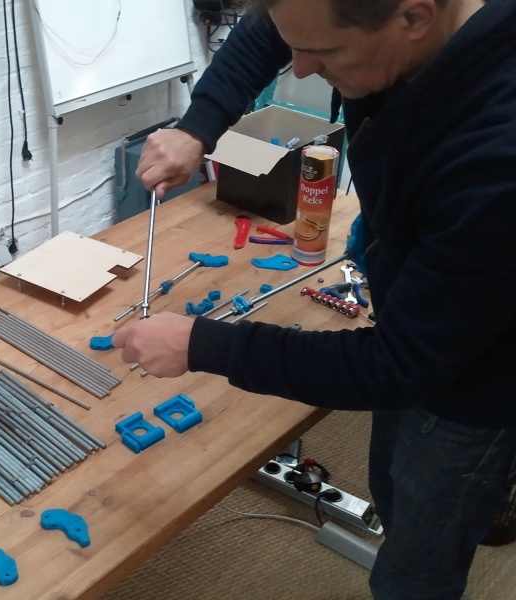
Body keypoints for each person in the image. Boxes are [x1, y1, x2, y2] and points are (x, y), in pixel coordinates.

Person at [112, 1, 516, 598]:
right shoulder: (379, 27)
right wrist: (199, 126)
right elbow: (269, 30)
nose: (299, 69)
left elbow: (399, 366)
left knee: (420, 554)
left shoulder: (497, 156)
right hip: (426, 300)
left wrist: (204, 344)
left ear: (414, 17)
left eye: (324, 54)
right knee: (394, 486)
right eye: (296, 46)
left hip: (482, 382)